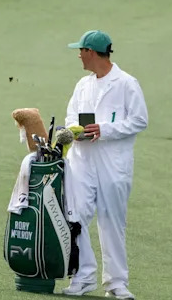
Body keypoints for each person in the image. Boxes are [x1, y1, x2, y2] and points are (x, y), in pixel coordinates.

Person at [62, 30, 148, 300]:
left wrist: (105, 130)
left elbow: (139, 120)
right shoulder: (82, 85)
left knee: (112, 221)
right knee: (75, 216)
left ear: (91, 52)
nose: (78, 55)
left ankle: (116, 283)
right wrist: (74, 131)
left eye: (81, 50)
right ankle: (83, 276)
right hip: (82, 158)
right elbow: (70, 117)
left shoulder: (126, 83)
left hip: (113, 163)